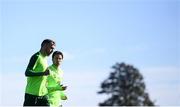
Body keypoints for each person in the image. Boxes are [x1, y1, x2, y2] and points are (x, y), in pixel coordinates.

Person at [23, 39, 56, 106]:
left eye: (53, 49)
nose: (52, 51)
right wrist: (43, 73)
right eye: (51, 48)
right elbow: (27, 72)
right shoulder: (36, 56)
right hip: (31, 95)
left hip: (43, 95)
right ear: (45, 45)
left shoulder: (45, 59)